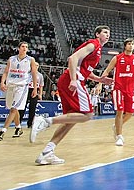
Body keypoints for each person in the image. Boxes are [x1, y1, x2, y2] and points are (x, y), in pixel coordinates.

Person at [30, 26, 114, 165]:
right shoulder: (94, 44)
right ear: (97, 34)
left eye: (109, 33)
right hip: (73, 80)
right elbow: (72, 58)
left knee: (71, 119)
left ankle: (47, 152)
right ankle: (45, 121)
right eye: (105, 32)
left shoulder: (97, 50)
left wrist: (100, 79)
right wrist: (74, 79)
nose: (108, 35)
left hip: (68, 79)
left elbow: (85, 70)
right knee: (87, 115)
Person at [99, 38, 134, 146]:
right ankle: (119, 136)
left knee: (130, 113)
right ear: (125, 46)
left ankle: (117, 126)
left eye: (132, 44)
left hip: (130, 89)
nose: (131, 46)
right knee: (120, 111)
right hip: (118, 88)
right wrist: (100, 83)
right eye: (129, 44)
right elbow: (107, 70)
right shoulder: (117, 58)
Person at [0, 42, 38, 141]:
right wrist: (2, 82)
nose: (25, 48)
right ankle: (18, 128)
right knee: (14, 109)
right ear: (18, 48)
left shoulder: (31, 60)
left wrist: (35, 88)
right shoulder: (11, 59)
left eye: (26, 47)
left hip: (22, 87)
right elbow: (6, 72)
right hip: (10, 86)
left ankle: (2, 131)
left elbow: (34, 75)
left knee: (13, 109)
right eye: (23, 46)